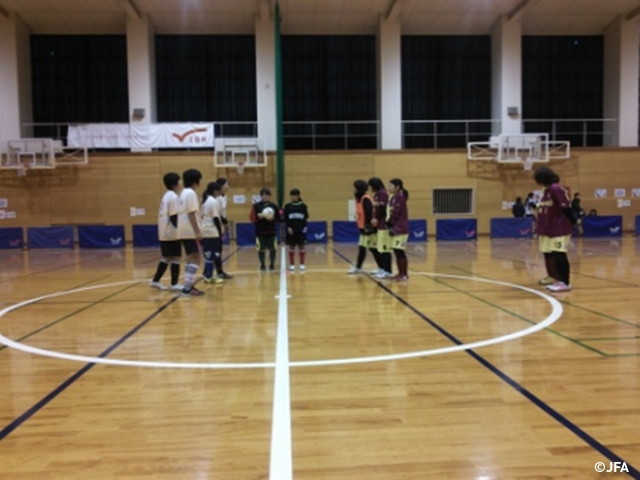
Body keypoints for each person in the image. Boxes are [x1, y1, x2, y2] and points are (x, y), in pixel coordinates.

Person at [534, 167, 576, 293]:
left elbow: (565, 207)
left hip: (558, 228)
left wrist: (574, 221)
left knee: (559, 254)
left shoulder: (555, 188)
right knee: (548, 253)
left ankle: (565, 282)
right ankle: (553, 277)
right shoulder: (545, 191)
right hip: (547, 229)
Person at [150, 172, 183, 291]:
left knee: (168, 257)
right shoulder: (173, 197)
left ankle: (156, 280)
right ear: (175, 183)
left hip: (165, 232)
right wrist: (181, 230)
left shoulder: (167, 195)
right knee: (175, 258)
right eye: (179, 180)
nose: (181, 183)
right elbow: (174, 216)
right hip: (171, 233)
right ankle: (173, 283)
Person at [177, 168, 205, 296]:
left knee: (190, 258)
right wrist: (197, 232)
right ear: (196, 180)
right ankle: (187, 288)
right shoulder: (191, 193)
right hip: (190, 231)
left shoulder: (183, 193)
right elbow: (191, 214)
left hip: (183, 230)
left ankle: (188, 286)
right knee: (196, 258)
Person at [250, 187, 281, 271]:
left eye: (267, 195)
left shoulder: (274, 206)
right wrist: (258, 217)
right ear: (261, 196)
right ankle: (262, 265)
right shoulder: (256, 206)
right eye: (264, 195)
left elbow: (279, 218)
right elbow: (252, 218)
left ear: (270, 196)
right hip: (260, 231)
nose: (265, 196)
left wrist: (273, 219)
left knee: (272, 248)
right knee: (261, 249)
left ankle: (272, 264)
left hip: (271, 231)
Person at [349, 179, 375, 274]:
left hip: (369, 228)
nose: (353, 189)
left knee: (373, 249)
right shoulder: (358, 199)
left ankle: (383, 268)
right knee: (362, 248)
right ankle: (358, 267)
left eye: (354, 187)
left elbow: (369, 213)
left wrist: (368, 226)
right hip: (362, 228)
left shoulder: (366, 199)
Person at [368, 177, 393, 279]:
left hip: (384, 225)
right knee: (381, 248)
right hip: (380, 225)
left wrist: (376, 218)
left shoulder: (382, 194)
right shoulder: (377, 194)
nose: (369, 188)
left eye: (370, 186)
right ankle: (383, 268)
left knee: (385, 249)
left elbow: (382, 208)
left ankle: (388, 271)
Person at [201, 182, 224, 284]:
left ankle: (208, 274)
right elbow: (215, 218)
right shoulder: (212, 201)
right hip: (211, 231)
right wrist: (219, 231)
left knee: (209, 253)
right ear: (215, 191)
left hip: (206, 230)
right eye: (219, 190)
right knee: (212, 254)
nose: (220, 192)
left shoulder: (206, 201)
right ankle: (208, 275)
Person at [387, 178, 410, 282]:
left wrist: (389, 222)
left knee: (400, 251)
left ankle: (404, 274)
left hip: (401, 228)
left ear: (397, 187)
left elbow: (395, 213)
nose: (388, 188)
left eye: (391, 186)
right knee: (396, 251)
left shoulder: (400, 197)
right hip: (395, 227)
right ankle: (400, 273)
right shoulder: (393, 198)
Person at [283, 188, 309, 271]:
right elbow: (286, 219)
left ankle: (302, 264)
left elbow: (305, 218)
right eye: (292, 195)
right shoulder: (287, 206)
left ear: (298, 196)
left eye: (295, 195)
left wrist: (304, 228)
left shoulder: (303, 206)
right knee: (291, 246)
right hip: (291, 230)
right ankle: (292, 264)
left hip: (301, 229)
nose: (293, 197)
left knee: (301, 246)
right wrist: (288, 227)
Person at [215, 177, 233, 279]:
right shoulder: (217, 198)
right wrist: (225, 223)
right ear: (221, 186)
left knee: (219, 249)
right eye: (226, 184)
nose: (228, 186)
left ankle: (219, 271)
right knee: (216, 250)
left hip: (220, 225)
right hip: (215, 226)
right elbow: (218, 214)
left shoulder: (224, 197)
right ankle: (217, 271)